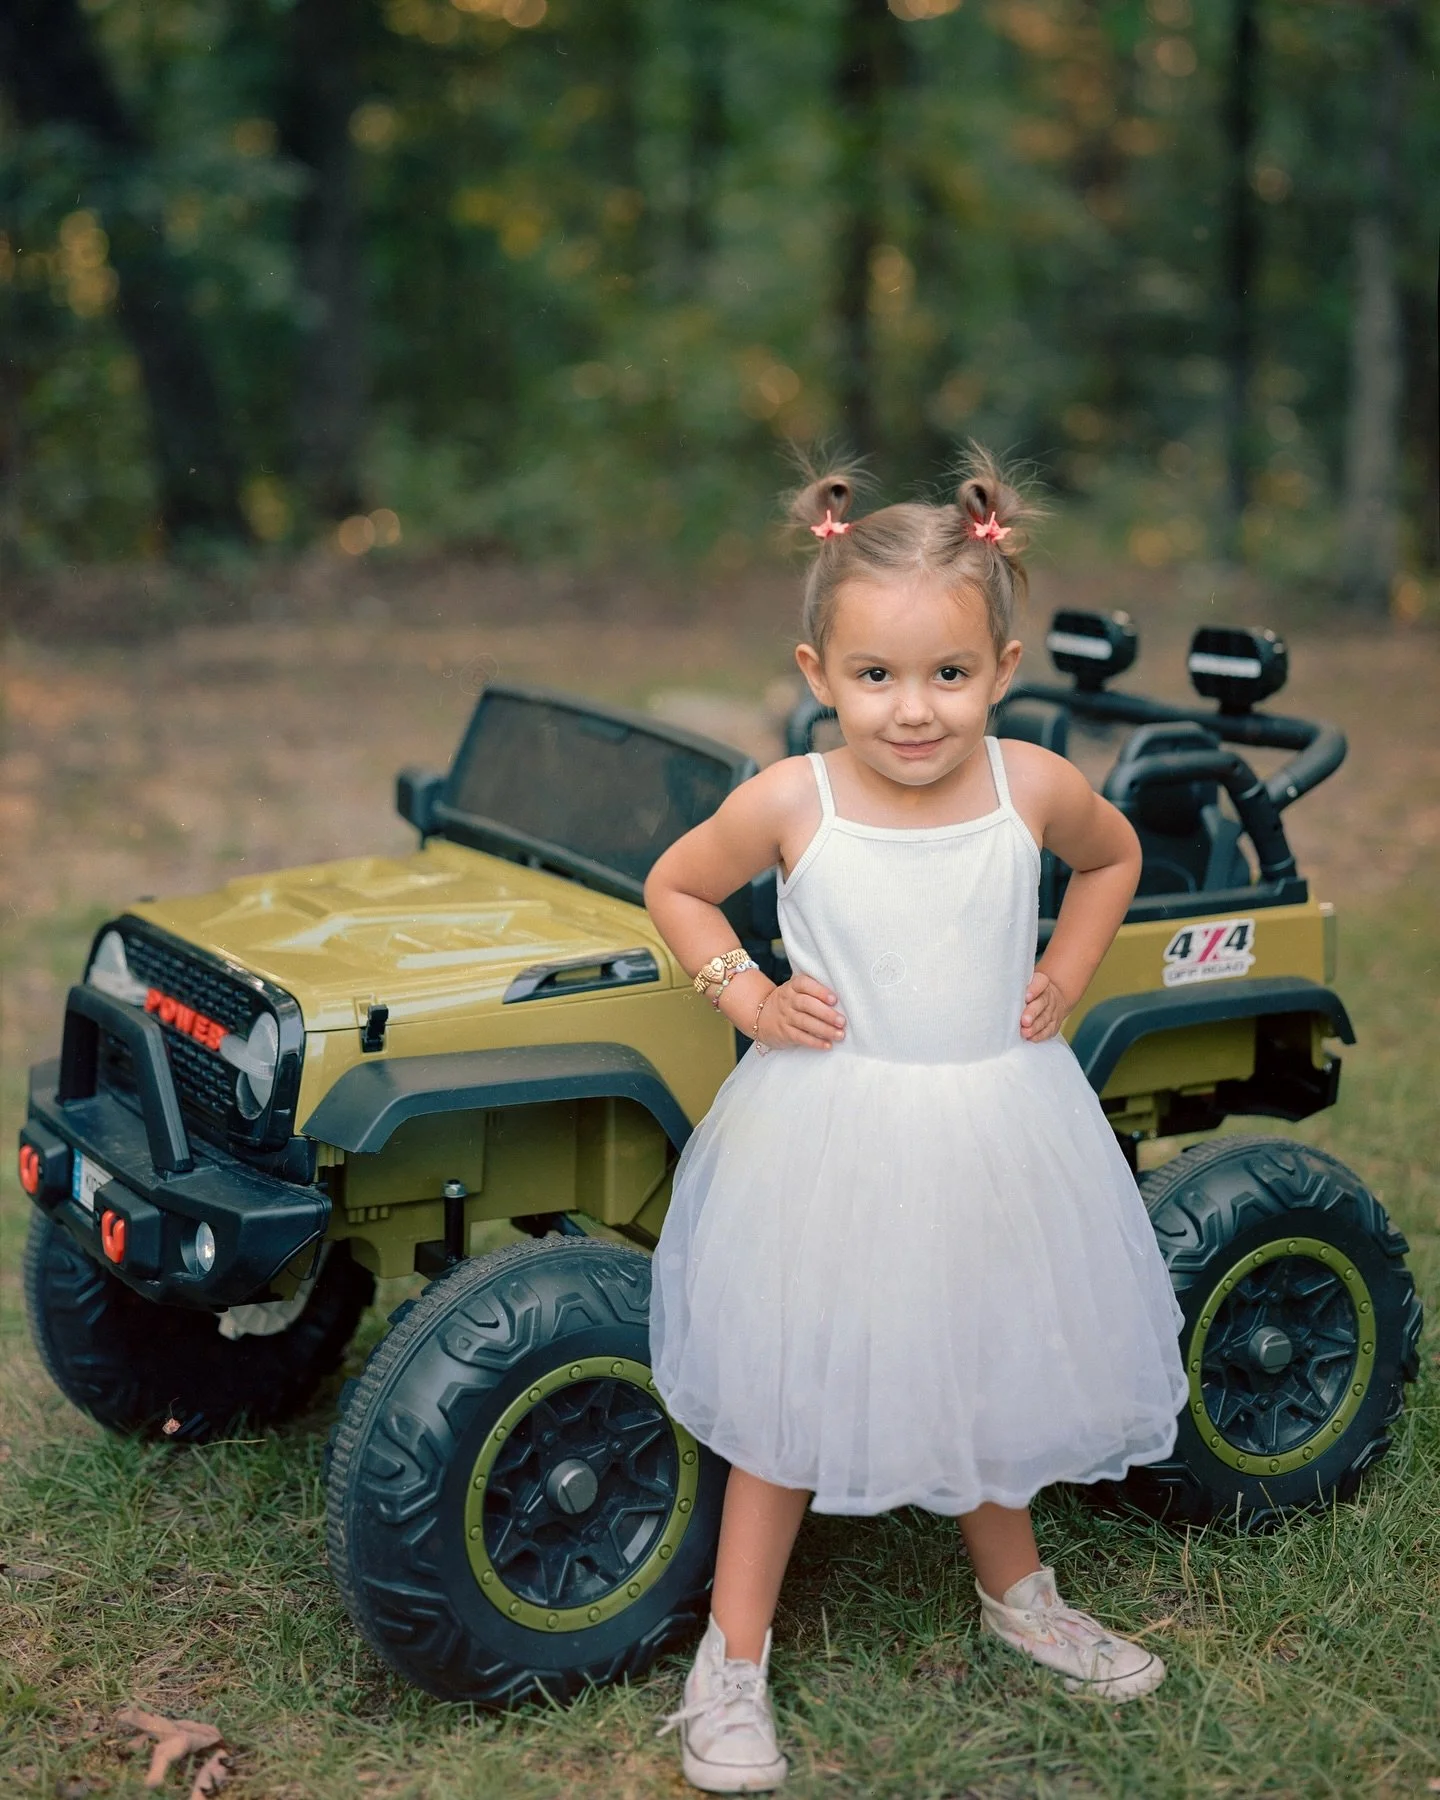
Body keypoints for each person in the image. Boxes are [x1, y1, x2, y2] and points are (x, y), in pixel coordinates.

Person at [644, 451, 1189, 1794]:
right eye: (875, 676)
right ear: (817, 670)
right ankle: (733, 1654)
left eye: (948, 674)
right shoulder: (794, 801)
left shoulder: (1030, 787)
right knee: (788, 1393)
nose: (912, 710)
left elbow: (1115, 858)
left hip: (994, 1125)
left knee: (983, 1346)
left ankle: (1021, 1594)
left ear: (1002, 667)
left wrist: (1068, 969)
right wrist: (748, 992)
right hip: (830, 1136)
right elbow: (676, 886)